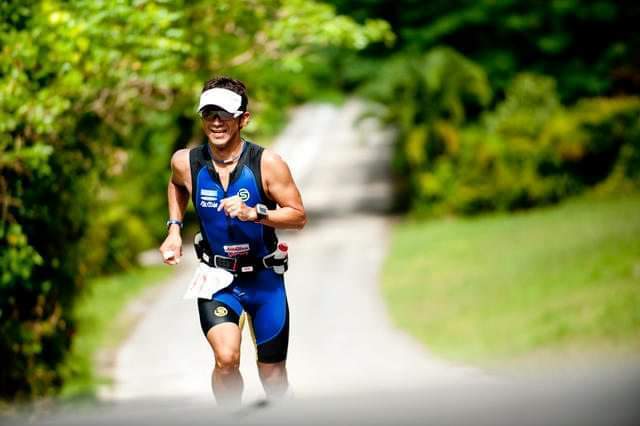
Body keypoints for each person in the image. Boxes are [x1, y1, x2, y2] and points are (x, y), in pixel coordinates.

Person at [159, 76, 306, 405]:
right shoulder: (186, 162)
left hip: (264, 280)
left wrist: (256, 213)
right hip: (217, 278)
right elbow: (176, 185)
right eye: (209, 113)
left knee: (273, 376)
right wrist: (174, 229)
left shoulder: (267, 164)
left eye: (225, 114)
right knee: (226, 359)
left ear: (244, 119)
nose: (216, 122)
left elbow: (298, 216)